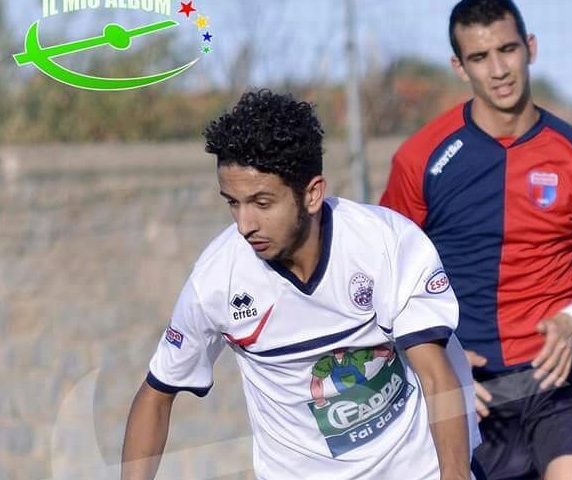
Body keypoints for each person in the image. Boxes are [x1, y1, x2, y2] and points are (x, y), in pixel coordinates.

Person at [121, 89, 481, 480]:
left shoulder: (385, 245)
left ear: (312, 194)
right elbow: (157, 394)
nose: (244, 225)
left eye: (261, 203)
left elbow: (435, 374)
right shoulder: (215, 281)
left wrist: (455, 475)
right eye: (233, 203)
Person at [380, 1, 572, 478]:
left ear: (530, 49)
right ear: (459, 67)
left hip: (560, 378)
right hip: (469, 389)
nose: (499, 70)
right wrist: (442, 360)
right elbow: (381, 277)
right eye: (480, 57)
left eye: (507, 50)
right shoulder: (421, 159)